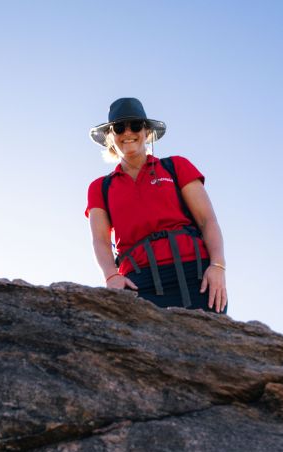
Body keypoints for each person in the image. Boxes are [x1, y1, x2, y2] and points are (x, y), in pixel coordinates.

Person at [85, 97, 228, 313]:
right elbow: (100, 240)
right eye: (119, 128)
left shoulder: (176, 166)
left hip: (196, 275)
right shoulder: (100, 187)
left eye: (135, 125)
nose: (128, 133)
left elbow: (207, 221)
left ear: (147, 131)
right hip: (138, 283)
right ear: (110, 136)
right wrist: (111, 275)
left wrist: (217, 266)